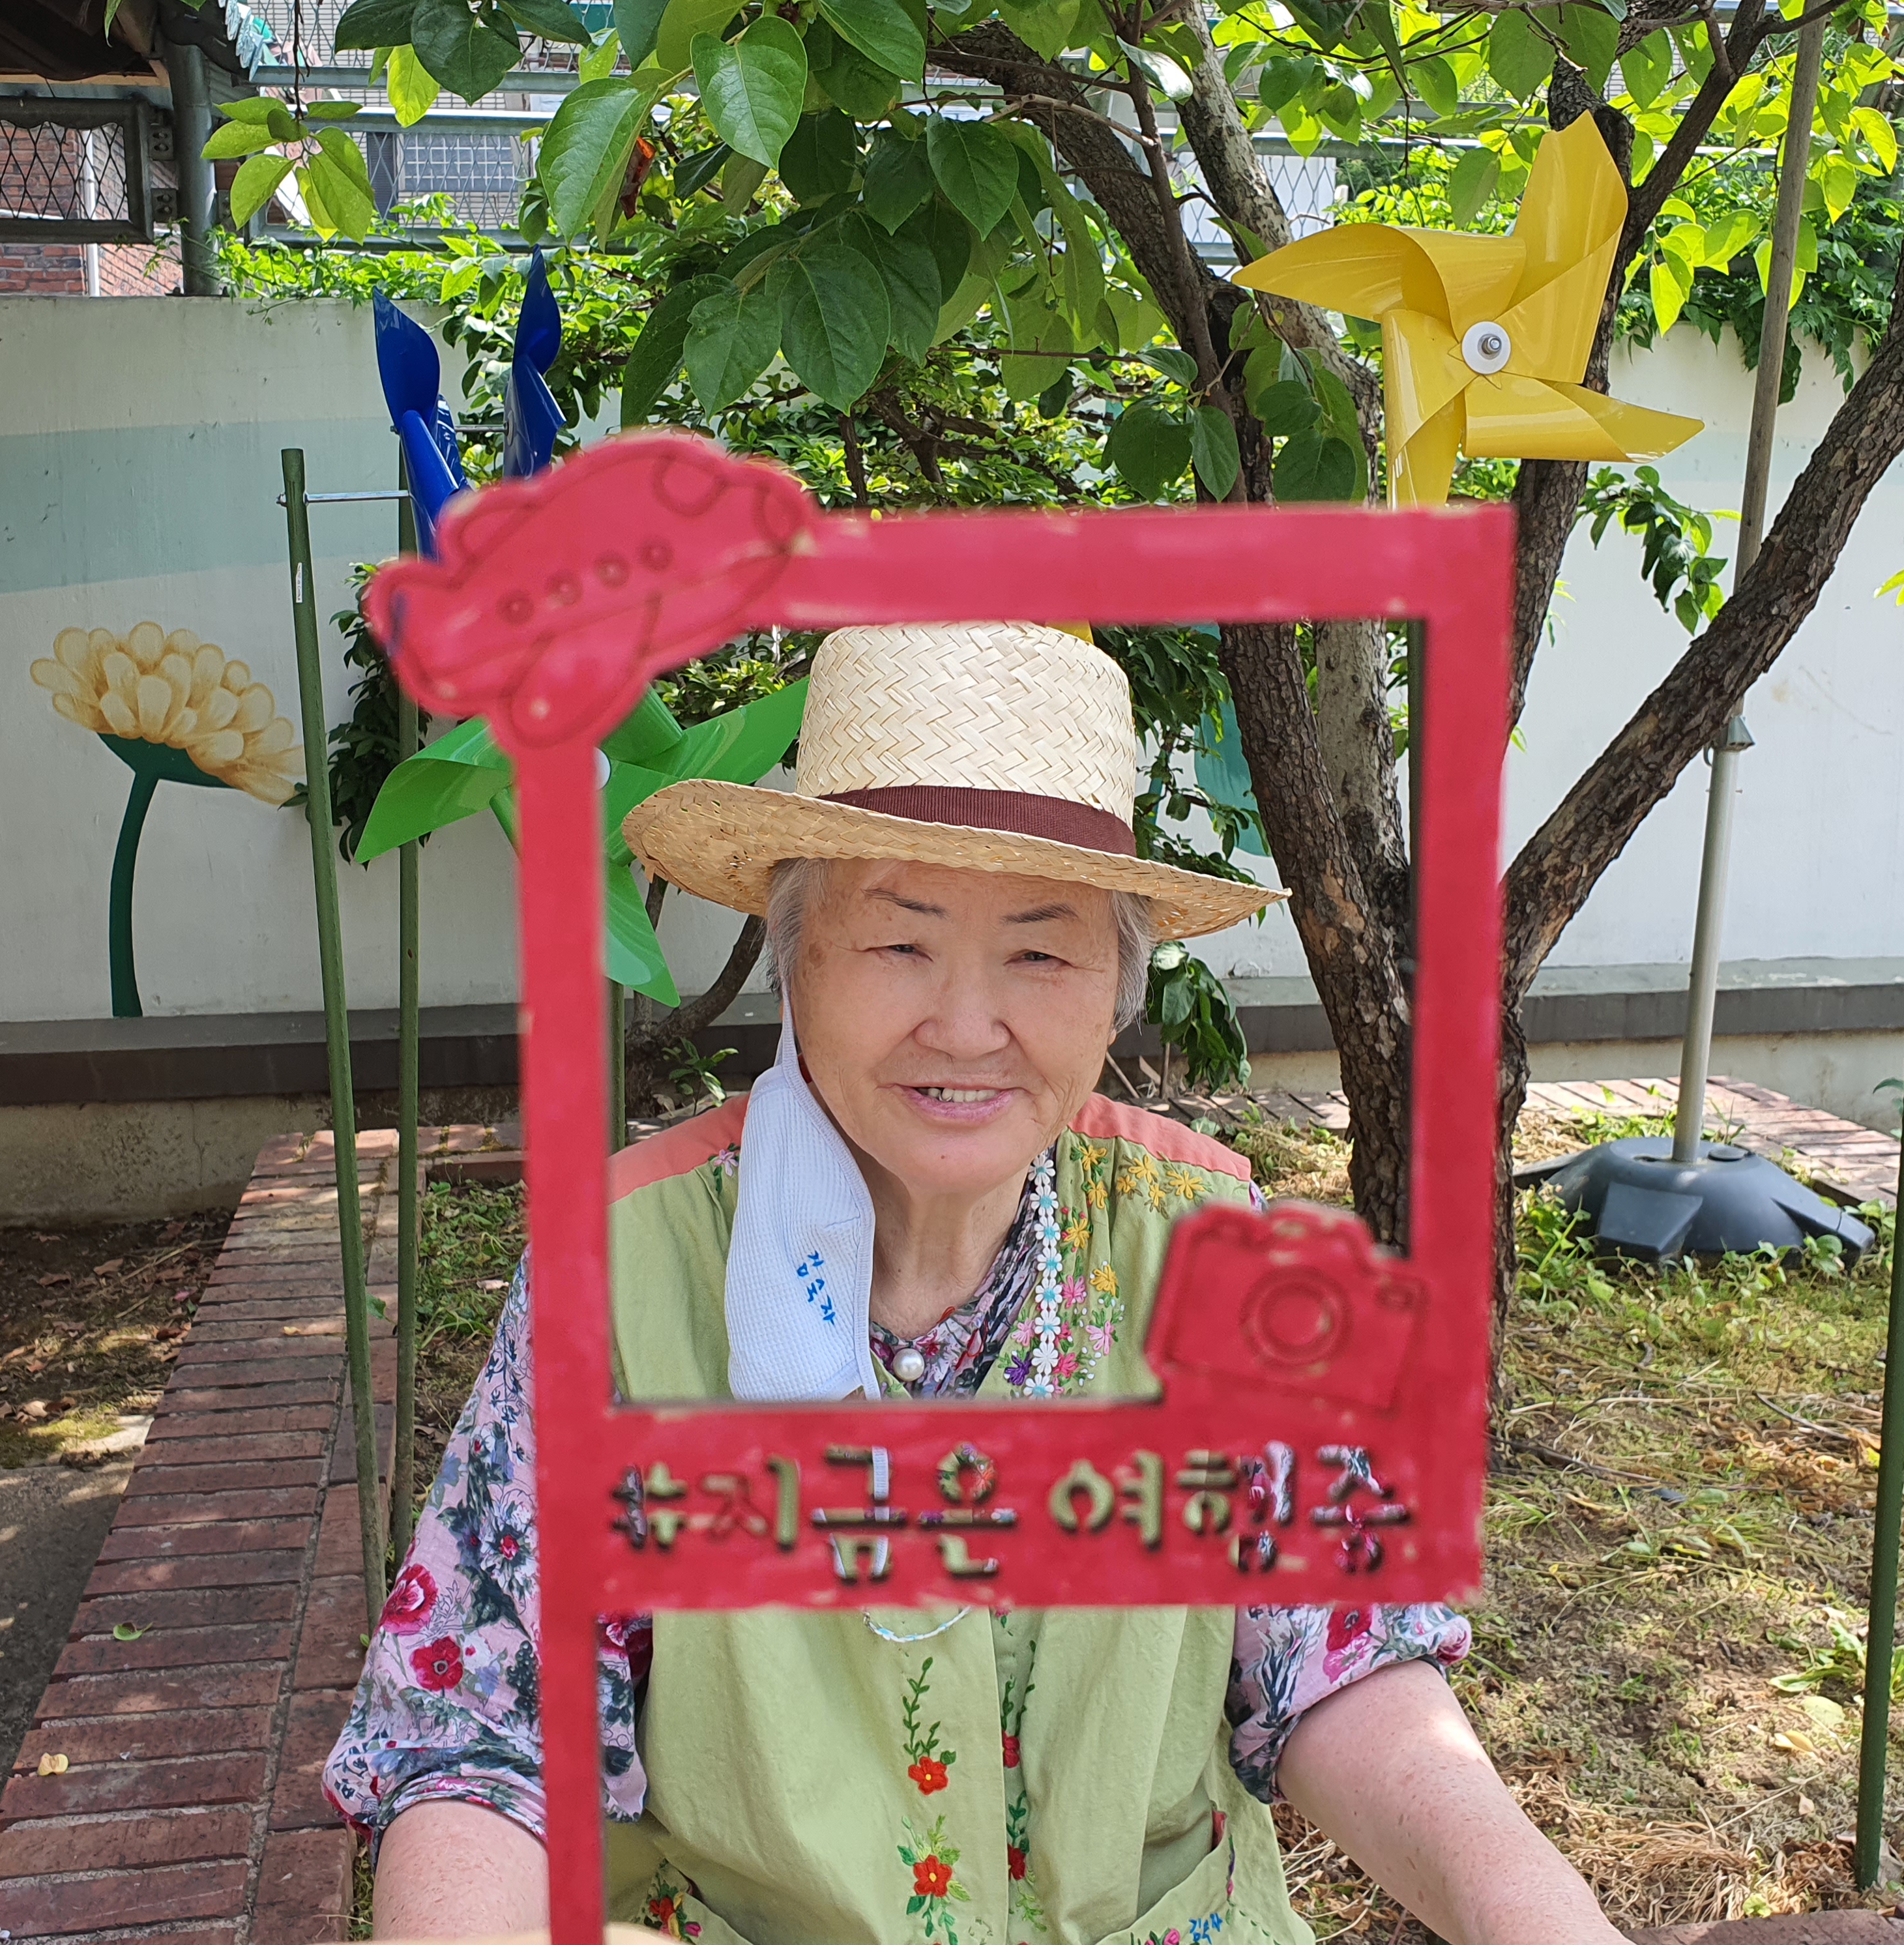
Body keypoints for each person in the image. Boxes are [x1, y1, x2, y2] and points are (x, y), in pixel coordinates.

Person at [326, 622, 1626, 1945]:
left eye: (1040, 954)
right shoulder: (621, 1280)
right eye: (899, 945)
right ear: (794, 963)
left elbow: (1344, 1652)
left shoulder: (1215, 1245)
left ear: (1116, 989)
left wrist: (1529, 1912)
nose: (963, 1028)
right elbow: (480, 1741)